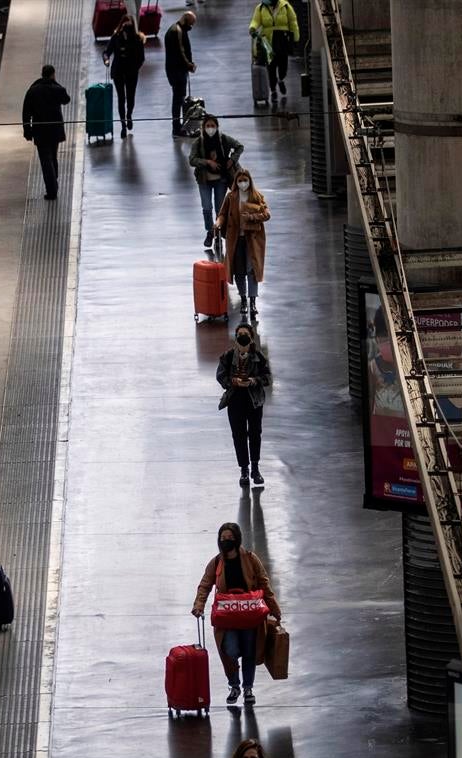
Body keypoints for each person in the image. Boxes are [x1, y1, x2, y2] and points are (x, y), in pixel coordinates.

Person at [191, 521, 280, 704]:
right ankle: (234, 684)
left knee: (249, 651)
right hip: (227, 618)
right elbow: (205, 585)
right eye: (223, 538)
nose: (226, 542)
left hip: (249, 616)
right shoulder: (216, 562)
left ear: (237, 539)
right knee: (229, 650)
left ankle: (247, 688)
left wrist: (274, 608)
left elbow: (264, 583)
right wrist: (199, 605)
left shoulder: (250, 558)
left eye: (230, 538)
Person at [216, 321, 273, 486]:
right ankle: (244, 470)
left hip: (254, 401)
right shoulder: (227, 356)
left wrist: (254, 381)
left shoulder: (259, 357)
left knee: (255, 434)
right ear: (235, 338)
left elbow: (267, 377)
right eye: (239, 335)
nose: (242, 338)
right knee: (238, 436)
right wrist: (232, 382)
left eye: (245, 335)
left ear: (251, 339)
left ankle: (255, 469)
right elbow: (220, 376)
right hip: (235, 400)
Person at [215, 169, 270, 319]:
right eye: (240, 181)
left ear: (250, 181)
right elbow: (222, 214)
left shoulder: (256, 196)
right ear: (236, 182)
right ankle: (244, 299)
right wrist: (218, 222)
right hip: (235, 240)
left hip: (252, 240)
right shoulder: (231, 197)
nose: (243, 183)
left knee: (252, 270)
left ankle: (253, 301)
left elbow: (266, 214)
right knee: (239, 271)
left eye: (245, 180)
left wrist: (251, 217)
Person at [189, 115, 244, 250]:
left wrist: (232, 160)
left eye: (213, 126)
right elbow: (192, 160)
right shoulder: (198, 142)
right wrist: (207, 162)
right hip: (204, 180)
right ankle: (210, 231)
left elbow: (239, 146)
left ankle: (218, 234)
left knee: (220, 210)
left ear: (217, 127)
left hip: (221, 180)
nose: (210, 129)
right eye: (207, 126)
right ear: (203, 127)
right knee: (207, 207)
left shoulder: (224, 139)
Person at [21, 64, 71, 199]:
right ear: (53, 74)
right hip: (55, 131)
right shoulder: (56, 89)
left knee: (45, 160)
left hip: (40, 132)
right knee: (53, 157)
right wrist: (54, 82)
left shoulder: (33, 91)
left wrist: (27, 130)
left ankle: (52, 189)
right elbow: (66, 99)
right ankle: (54, 183)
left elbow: (26, 112)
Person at [248, 0, 300, 109]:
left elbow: (292, 21)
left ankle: (281, 79)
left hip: (282, 41)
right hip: (268, 42)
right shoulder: (261, 7)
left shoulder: (285, 6)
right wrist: (252, 28)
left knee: (283, 67)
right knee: (271, 68)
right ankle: (273, 91)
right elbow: (256, 20)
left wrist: (295, 37)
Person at [105, 16, 145, 138]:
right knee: (121, 98)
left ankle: (129, 115)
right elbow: (107, 51)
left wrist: (135, 67)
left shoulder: (137, 39)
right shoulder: (116, 37)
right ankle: (123, 125)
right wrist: (106, 60)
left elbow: (141, 58)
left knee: (131, 97)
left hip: (131, 72)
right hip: (118, 71)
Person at [163, 11, 196, 136]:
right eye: (191, 24)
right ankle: (176, 128)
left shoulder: (178, 30)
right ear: (186, 20)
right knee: (177, 100)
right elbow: (181, 52)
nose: (191, 27)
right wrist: (189, 65)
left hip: (177, 70)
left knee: (179, 98)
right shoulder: (177, 32)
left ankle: (178, 126)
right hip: (176, 71)